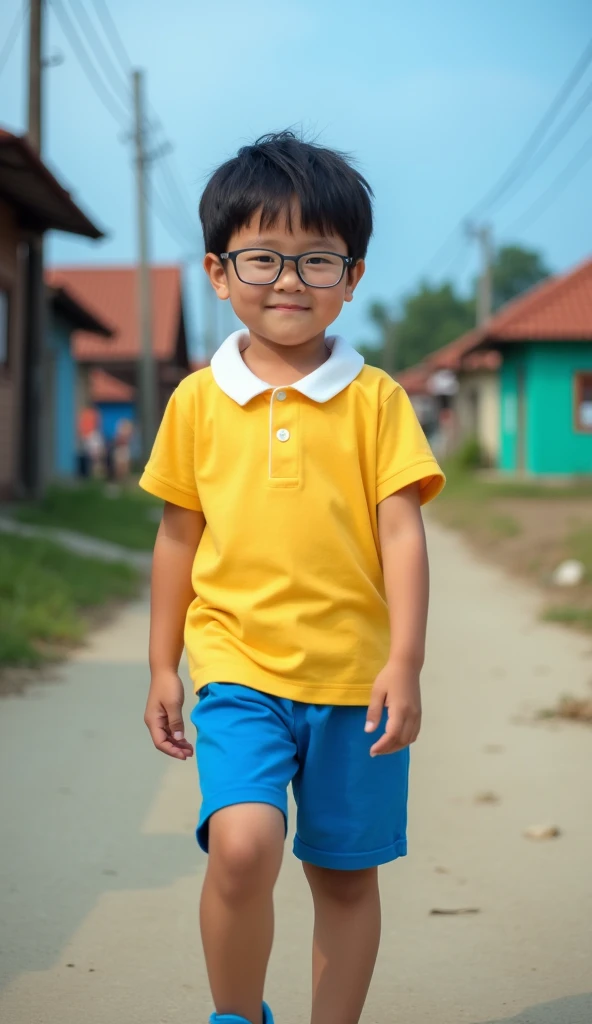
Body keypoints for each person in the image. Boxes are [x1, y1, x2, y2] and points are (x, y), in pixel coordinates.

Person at [140, 131, 445, 1024]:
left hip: (358, 679)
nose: (288, 280)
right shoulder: (197, 401)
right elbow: (175, 540)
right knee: (242, 845)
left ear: (351, 276)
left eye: (317, 260)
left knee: (345, 877)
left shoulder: (376, 398)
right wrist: (164, 665)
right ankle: (236, 1015)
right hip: (238, 668)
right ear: (218, 270)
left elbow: (403, 533)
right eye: (263, 257)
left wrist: (407, 661)